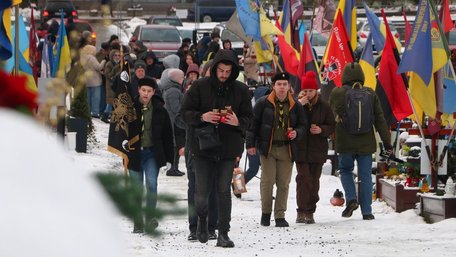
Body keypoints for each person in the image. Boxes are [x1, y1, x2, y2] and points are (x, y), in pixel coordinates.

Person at [181, 49, 253, 247]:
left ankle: (223, 233)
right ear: (214, 69)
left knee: (223, 191)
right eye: (220, 70)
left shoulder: (241, 90)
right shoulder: (199, 86)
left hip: (228, 148)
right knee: (202, 193)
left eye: (228, 71)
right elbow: (185, 113)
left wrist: (238, 121)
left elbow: (249, 118)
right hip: (203, 147)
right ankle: (202, 221)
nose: (223, 74)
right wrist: (201, 117)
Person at [329, 62, 392, 220]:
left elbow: (330, 115)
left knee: (345, 171)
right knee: (365, 176)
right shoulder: (370, 94)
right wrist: (387, 142)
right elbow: (380, 119)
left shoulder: (337, 92)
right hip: (366, 142)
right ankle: (367, 212)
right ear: (362, 76)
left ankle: (351, 199)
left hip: (345, 142)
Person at [246, 72, 307, 228]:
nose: (281, 87)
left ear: (289, 87)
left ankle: (280, 215)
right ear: (273, 86)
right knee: (267, 181)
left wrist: (297, 133)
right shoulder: (262, 103)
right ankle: (265, 213)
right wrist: (250, 144)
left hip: (287, 149)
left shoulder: (296, 105)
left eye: (284, 84)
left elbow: (303, 125)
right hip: (268, 148)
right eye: (279, 84)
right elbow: (252, 126)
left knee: (284, 183)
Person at [127, 77, 174, 233]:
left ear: (154, 92)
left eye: (149, 91)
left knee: (152, 185)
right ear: (139, 90)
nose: (146, 94)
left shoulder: (160, 110)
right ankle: (137, 221)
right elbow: (120, 129)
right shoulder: (130, 108)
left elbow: (167, 135)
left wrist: (169, 158)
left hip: (151, 153)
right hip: (134, 153)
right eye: (143, 90)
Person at [295, 71, 335, 224]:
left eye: (311, 91)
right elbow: (289, 120)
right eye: (305, 91)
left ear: (316, 90)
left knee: (314, 180)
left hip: (317, 149)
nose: (308, 94)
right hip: (301, 148)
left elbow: (332, 125)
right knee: (303, 179)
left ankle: (310, 210)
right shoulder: (297, 104)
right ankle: (301, 210)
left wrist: (321, 130)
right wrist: (299, 106)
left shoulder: (324, 106)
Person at [161, 68, 186, 177]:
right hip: (174, 122)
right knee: (175, 146)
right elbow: (176, 108)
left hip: (174, 121)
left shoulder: (173, 89)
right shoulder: (173, 91)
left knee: (176, 146)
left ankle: (174, 168)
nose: (184, 79)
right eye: (182, 77)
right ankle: (172, 169)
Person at [80, 44, 106, 118]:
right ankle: (95, 112)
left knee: (88, 97)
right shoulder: (92, 58)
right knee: (96, 98)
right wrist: (103, 61)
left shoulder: (82, 58)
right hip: (95, 80)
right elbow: (99, 67)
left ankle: (88, 111)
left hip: (87, 79)